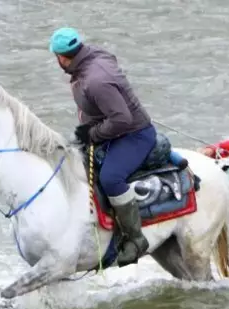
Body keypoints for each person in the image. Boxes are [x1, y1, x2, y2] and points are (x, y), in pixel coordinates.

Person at [49, 26, 156, 267]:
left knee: (110, 178)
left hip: (134, 135)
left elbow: (122, 119)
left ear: (61, 57)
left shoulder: (96, 81)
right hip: (111, 129)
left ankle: (135, 238)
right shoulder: (93, 54)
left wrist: (92, 133)